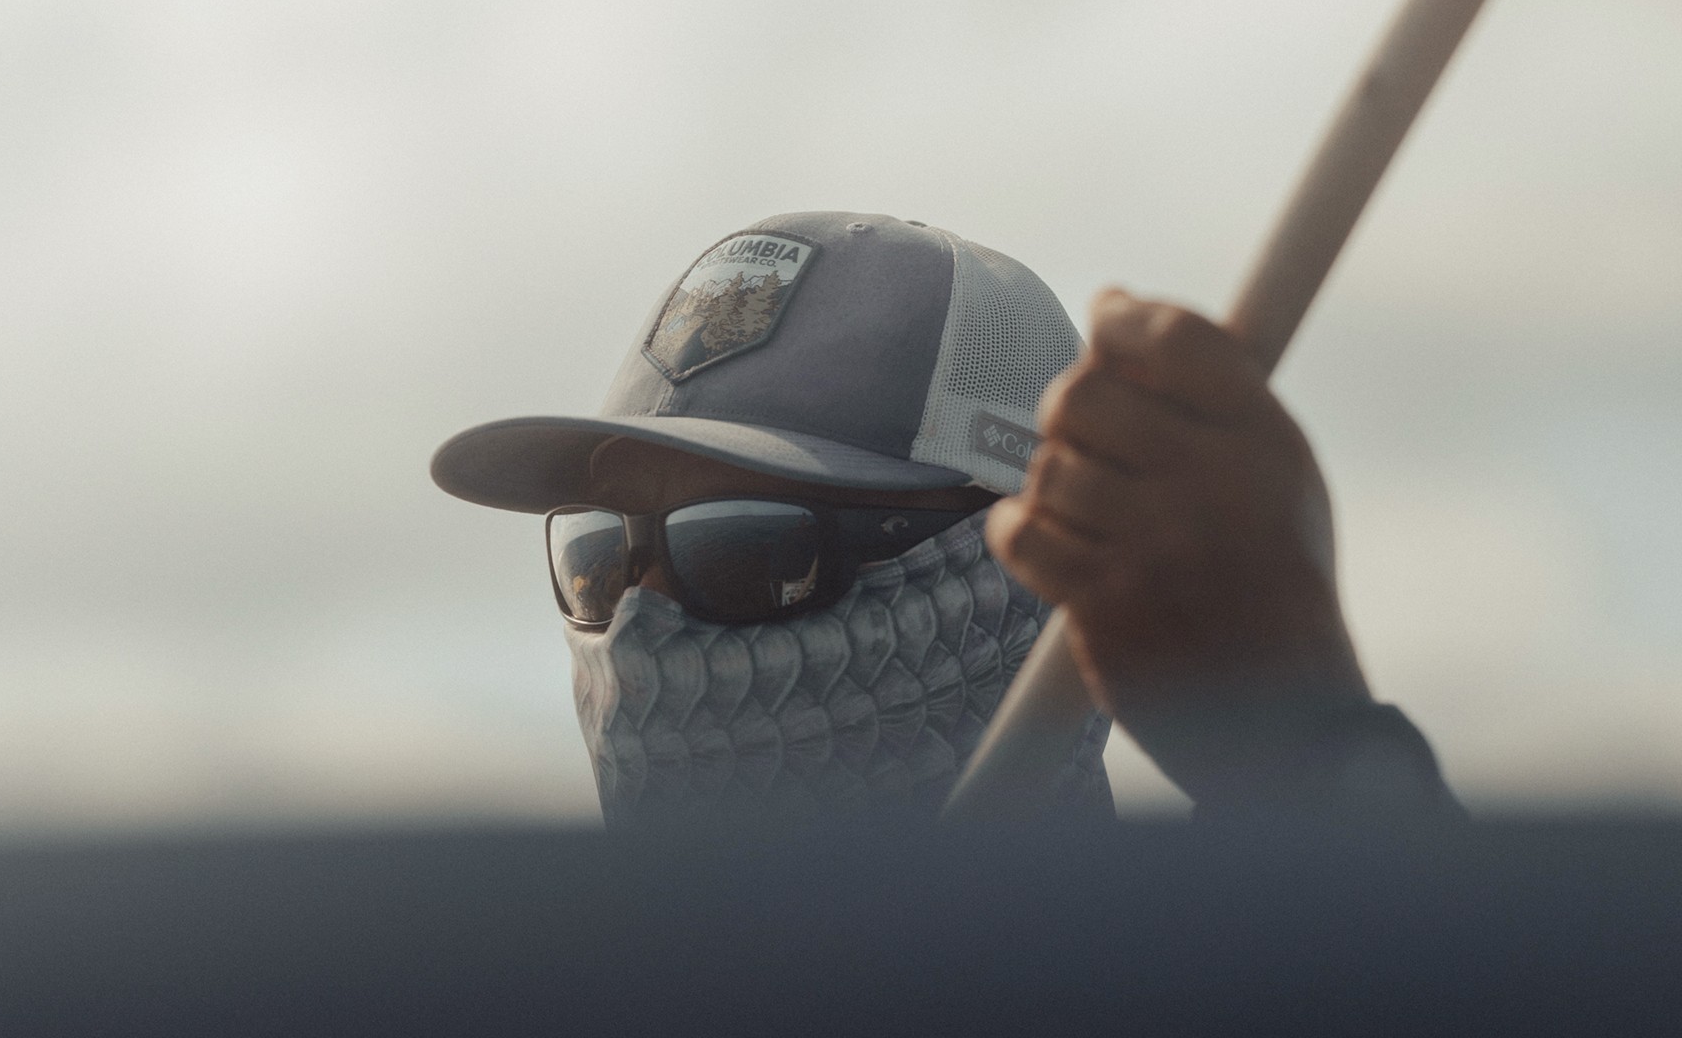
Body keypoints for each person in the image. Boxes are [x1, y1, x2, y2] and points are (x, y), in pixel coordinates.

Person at [430, 211, 1456, 828]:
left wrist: (1311, 761)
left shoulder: (1221, 994)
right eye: (600, 558)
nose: (644, 632)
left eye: (746, 546)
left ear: (1024, 570)